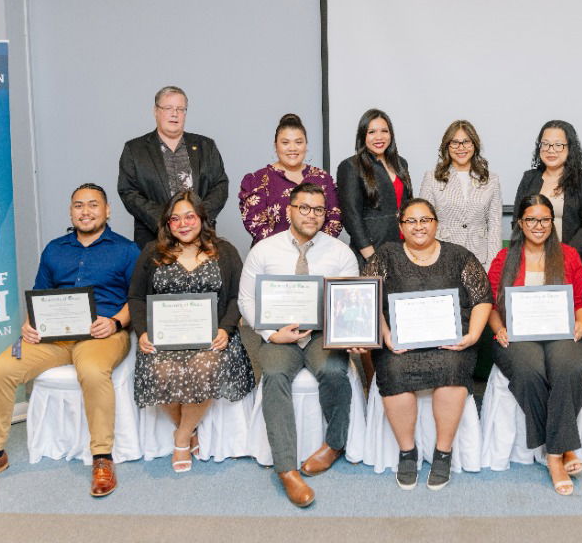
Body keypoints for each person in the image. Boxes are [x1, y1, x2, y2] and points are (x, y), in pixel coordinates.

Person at [0, 184, 139, 497]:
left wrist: (114, 322)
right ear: (71, 212)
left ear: (107, 210)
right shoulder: (54, 249)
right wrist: (29, 324)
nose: (85, 211)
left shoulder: (127, 250)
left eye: (93, 205)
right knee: (1, 369)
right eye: (78, 205)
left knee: (92, 371)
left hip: (102, 333)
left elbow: (137, 299)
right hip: (53, 335)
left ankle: (102, 457)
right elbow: (40, 294)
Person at [237, 183, 361, 507]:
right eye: (304, 208)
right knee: (274, 375)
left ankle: (334, 444)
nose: (311, 215)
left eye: (318, 209)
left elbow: (351, 303)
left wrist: (351, 334)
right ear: (289, 210)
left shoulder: (340, 253)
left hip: (322, 335)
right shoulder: (264, 250)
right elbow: (246, 300)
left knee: (334, 371)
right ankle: (287, 469)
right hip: (279, 334)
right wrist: (270, 334)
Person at [365, 199, 493, 490]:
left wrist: (473, 335)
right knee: (394, 370)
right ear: (401, 226)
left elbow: (482, 297)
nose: (419, 226)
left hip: (450, 342)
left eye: (425, 220)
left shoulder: (459, 255)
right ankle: (407, 453)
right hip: (399, 343)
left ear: (436, 223)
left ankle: (443, 453)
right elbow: (368, 295)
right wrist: (385, 334)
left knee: (452, 368)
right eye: (411, 221)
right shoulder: (386, 255)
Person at [129, 191, 254, 473]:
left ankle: (182, 436)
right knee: (160, 371)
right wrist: (143, 332)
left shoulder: (224, 251)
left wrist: (226, 329)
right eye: (175, 219)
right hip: (165, 337)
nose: (183, 224)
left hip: (212, 337)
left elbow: (237, 297)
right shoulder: (152, 251)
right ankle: (188, 429)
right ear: (167, 224)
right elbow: (136, 297)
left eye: (189, 217)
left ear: (201, 218)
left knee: (204, 367)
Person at [486, 194, 582, 496]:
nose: (538, 225)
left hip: (560, 332)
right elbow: (491, 304)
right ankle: (562, 449)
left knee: (568, 367)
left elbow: (580, 301)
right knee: (529, 370)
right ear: (520, 223)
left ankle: (553, 452)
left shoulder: (568, 255)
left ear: (552, 222)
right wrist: (499, 329)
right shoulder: (504, 258)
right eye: (531, 219)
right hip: (517, 334)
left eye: (545, 219)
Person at [118, 86, 229, 249]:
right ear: (156, 111)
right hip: (154, 239)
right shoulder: (135, 149)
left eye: (180, 109)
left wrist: (197, 218)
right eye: (168, 108)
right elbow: (128, 191)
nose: (174, 113)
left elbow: (220, 185)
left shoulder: (206, 146)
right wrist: (166, 220)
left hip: (201, 240)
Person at [238, 113, 342, 246]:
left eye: (298, 142)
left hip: (317, 253)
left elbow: (334, 220)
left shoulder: (323, 178)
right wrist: (289, 250)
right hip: (272, 253)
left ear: (306, 145)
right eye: (285, 143)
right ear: (276, 146)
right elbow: (256, 225)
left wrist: (311, 248)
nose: (292, 148)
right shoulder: (257, 181)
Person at [513, 120, 582, 266]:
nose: (551, 150)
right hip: (533, 261)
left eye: (558, 145)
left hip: (573, 261)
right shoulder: (529, 178)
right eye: (545, 144)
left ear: (570, 147)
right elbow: (517, 220)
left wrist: (564, 256)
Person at [419, 120, 502, 268]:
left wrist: (492, 266)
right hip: (442, 259)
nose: (461, 147)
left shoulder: (491, 180)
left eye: (466, 142)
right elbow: (424, 223)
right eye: (455, 142)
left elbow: (495, 226)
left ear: (474, 145)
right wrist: (427, 261)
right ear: (447, 146)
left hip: (480, 260)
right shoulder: (431, 178)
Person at [336, 108, 412, 266]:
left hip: (403, 246)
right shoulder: (350, 166)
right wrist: (372, 258)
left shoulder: (401, 163)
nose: (379, 137)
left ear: (391, 134)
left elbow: (408, 205)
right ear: (363, 135)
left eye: (384, 131)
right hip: (371, 250)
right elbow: (352, 217)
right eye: (372, 132)